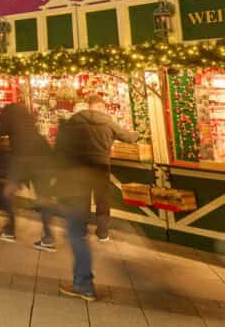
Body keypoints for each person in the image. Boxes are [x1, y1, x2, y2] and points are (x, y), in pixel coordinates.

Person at [55, 98, 139, 301]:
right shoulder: (107, 121)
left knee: (79, 212)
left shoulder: (73, 121)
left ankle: (83, 279)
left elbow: (59, 150)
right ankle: (102, 232)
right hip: (100, 168)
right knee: (102, 200)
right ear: (100, 107)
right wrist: (138, 133)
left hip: (77, 174)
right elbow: (129, 137)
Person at [0, 102, 56, 248]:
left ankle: (9, 230)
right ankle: (48, 237)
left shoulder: (8, 113)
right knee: (43, 198)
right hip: (44, 159)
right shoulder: (27, 118)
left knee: (7, 193)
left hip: (23, 159)